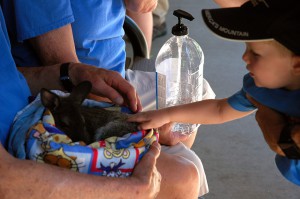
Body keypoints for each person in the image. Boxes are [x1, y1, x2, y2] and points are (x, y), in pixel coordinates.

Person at [1, 0, 210, 197]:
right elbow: (6, 178)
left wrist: (72, 72)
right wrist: (126, 189)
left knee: (191, 111)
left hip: (73, 92)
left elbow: (10, 76)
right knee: (185, 174)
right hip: (25, 126)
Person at [128, 0, 300, 186]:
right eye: (246, 48)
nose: (244, 57)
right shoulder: (259, 88)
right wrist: (165, 114)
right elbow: (219, 109)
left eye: (256, 54)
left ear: (297, 64)